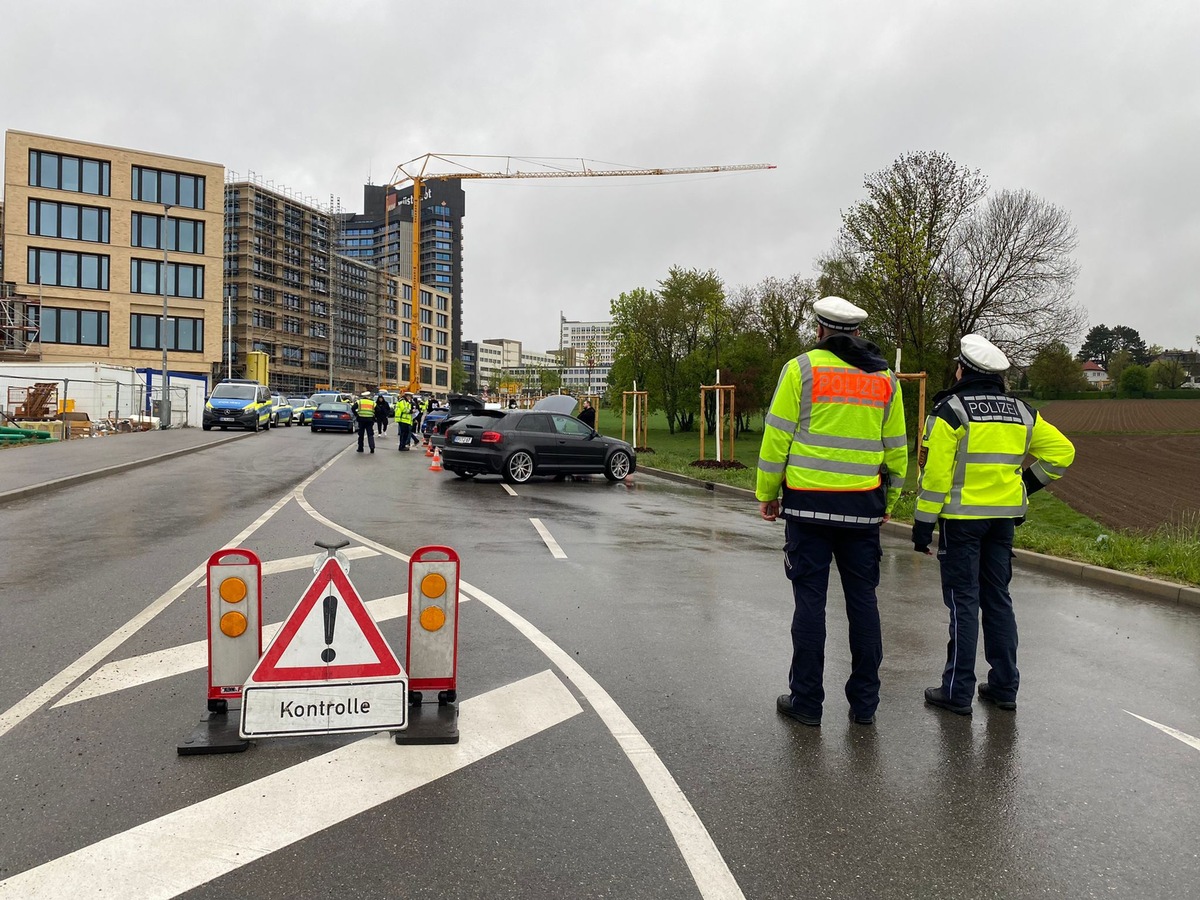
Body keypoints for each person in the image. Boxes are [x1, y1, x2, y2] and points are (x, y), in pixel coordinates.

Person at [757, 296, 908, 727]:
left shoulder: (801, 369)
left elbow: (777, 437)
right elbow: (897, 451)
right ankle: (865, 706)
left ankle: (806, 702)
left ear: (820, 330)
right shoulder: (886, 379)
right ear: (857, 332)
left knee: (810, 604)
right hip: (862, 510)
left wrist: (767, 492)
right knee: (863, 604)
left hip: (808, 508)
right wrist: (888, 504)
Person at [914, 334, 1075, 715]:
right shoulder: (1023, 412)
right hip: (1002, 521)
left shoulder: (950, 410)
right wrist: (1023, 485)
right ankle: (1004, 687)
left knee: (963, 603)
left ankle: (957, 692)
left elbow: (935, 478)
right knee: (998, 600)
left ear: (963, 369)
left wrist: (922, 525)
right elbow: (1062, 453)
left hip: (961, 522)